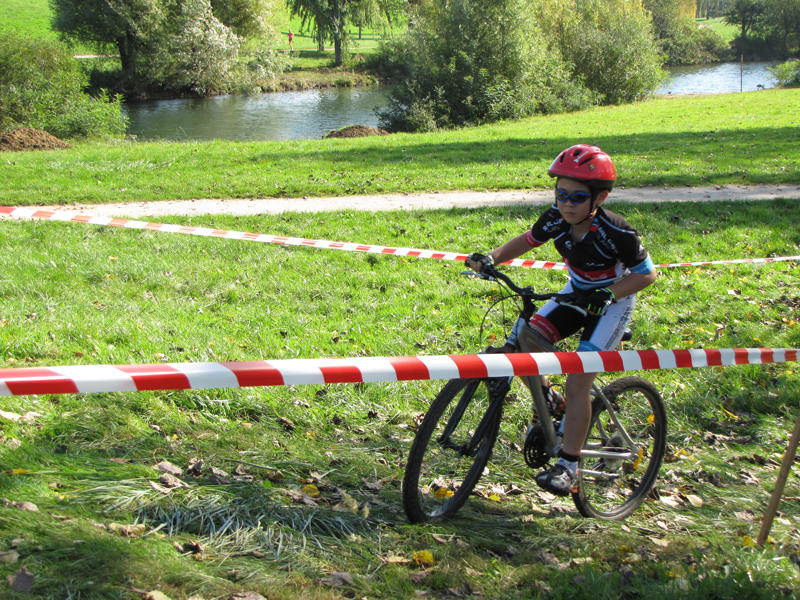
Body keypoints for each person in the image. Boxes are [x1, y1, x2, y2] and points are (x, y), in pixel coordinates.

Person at [466, 144, 657, 496]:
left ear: (599, 197)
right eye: (560, 194)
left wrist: (610, 293)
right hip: (576, 292)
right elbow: (528, 241)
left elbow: (647, 275)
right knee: (527, 340)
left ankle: (570, 466)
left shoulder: (617, 232)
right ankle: (552, 402)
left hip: (612, 302)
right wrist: (491, 258)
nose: (566, 204)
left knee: (578, 380)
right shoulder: (555, 216)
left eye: (577, 198)